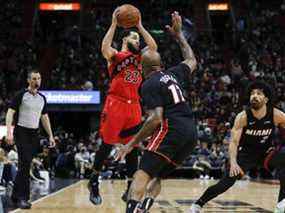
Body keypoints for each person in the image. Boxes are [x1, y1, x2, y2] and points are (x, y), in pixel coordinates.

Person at [115, 11, 197, 213]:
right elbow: (192, 59)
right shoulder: (173, 74)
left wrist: (131, 144)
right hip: (191, 134)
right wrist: (179, 36)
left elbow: (155, 119)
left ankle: (132, 210)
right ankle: (145, 206)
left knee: (141, 174)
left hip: (172, 129)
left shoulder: (149, 83)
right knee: (158, 175)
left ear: (142, 66)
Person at [88, 7, 157, 205]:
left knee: (132, 146)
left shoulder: (141, 58)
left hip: (134, 105)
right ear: (126, 40)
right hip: (115, 103)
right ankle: (93, 181)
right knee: (107, 144)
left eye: (138, 38)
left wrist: (140, 26)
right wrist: (113, 24)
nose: (138, 41)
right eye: (135, 38)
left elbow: (153, 47)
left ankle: (129, 187)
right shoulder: (116, 56)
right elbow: (104, 47)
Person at [189, 81, 285, 213]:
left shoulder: (276, 115)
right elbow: (234, 142)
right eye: (252, 94)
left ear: (266, 99)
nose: (254, 96)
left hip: (265, 153)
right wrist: (233, 162)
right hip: (245, 155)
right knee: (225, 184)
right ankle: (198, 204)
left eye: (258, 94)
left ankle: (281, 205)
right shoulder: (243, 117)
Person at [6, 70, 55, 209]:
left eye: (39, 78)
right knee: (26, 163)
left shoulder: (42, 98)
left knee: (24, 165)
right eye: (34, 78)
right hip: (21, 132)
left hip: (34, 134)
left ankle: (15, 196)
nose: (37, 81)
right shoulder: (21, 95)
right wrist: (9, 132)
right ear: (28, 80)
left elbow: (44, 117)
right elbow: (10, 112)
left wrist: (50, 135)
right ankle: (23, 198)